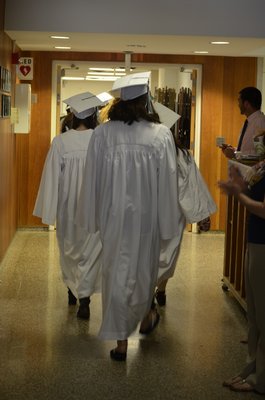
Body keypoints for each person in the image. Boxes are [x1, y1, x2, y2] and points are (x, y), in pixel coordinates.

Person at [77, 72, 182, 361]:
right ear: (146, 101)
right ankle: (145, 315)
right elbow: (167, 182)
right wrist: (167, 221)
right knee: (143, 273)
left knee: (115, 274)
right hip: (146, 220)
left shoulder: (103, 134)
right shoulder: (160, 135)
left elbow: (92, 179)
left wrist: (92, 216)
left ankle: (122, 341)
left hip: (113, 219)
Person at [33, 92, 105, 320]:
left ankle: (72, 291)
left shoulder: (61, 142)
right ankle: (85, 297)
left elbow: (52, 178)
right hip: (94, 207)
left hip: (68, 206)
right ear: (94, 116)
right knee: (91, 251)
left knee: (69, 248)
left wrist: (49, 209)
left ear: (72, 116)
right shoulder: (101, 140)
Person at [219, 161, 265, 394]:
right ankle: (251, 368)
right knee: (255, 315)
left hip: (263, 245)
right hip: (255, 241)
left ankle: (261, 379)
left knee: (263, 316)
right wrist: (241, 187)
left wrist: (239, 195)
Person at [156, 142, 217, 306]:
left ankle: (151, 291)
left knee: (151, 253)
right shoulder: (183, 156)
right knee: (169, 253)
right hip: (174, 212)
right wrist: (202, 213)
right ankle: (161, 291)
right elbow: (192, 186)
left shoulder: (147, 154)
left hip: (152, 211)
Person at [221, 87, 265, 159]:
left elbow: (260, 156)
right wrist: (234, 151)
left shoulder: (260, 123)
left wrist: (234, 155)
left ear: (246, 104)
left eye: (239, 101)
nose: (238, 105)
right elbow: (250, 151)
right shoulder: (249, 122)